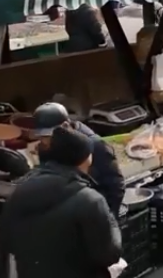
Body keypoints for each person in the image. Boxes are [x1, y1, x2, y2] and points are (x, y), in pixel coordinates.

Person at [0, 126, 123, 278]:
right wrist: (113, 223)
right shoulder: (90, 200)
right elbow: (109, 255)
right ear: (85, 158)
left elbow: (8, 242)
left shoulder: (18, 192)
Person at [32, 102, 125, 214]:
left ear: (65, 126)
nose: (44, 141)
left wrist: (109, 216)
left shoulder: (95, 145)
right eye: (41, 137)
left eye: (47, 136)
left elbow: (115, 186)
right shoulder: (47, 146)